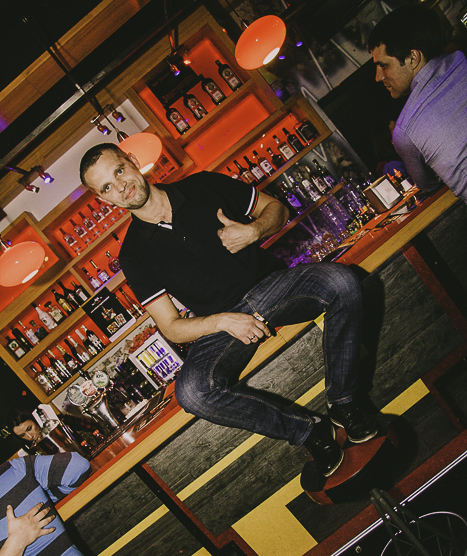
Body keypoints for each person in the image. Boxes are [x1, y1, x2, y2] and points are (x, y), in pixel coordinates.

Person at [80, 144, 378, 483]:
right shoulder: (134, 254)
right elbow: (171, 327)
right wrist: (223, 321)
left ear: (133, 161)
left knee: (342, 282)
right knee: (192, 393)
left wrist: (254, 230)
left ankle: (344, 403)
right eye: (107, 187)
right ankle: (311, 432)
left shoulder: (202, 185)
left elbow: (277, 209)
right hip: (222, 324)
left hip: (274, 288)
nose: (120, 187)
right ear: (104, 200)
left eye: (119, 171)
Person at [368, 5, 467, 205]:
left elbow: (428, 185)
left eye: (383, 65)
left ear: (412, 58)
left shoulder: (405, 131)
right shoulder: (461, 58)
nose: (378, 77)